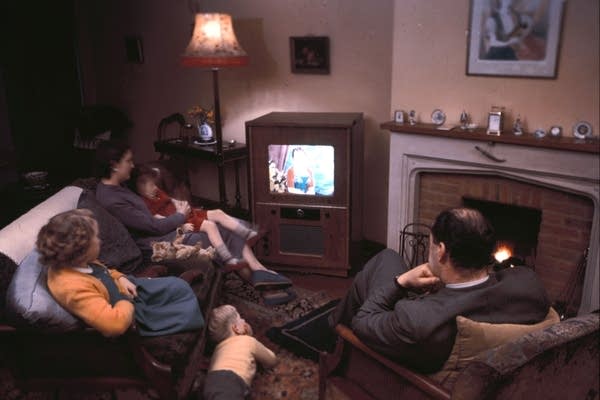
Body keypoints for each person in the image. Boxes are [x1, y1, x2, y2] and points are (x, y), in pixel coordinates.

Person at [329, 207, 550, 373]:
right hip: (440, 320)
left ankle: (331, 334)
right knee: (389, 257)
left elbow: (362, 320)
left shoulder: (416, 321)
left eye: (432, 244)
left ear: (442, 251)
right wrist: (446, 288)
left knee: (380, 265)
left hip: (400, 373)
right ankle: (332, 317)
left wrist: (400, 283)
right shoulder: (530, 286)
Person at [93, 140, 293, 294]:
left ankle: (261, 276)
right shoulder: (111, 198)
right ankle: (261, 277)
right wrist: (180, 215)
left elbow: (150, 209)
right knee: (219, 232)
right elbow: (151, 227)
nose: (132, 164)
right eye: (128, 161)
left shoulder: (118, 186)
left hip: (165, 229)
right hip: (157, 243)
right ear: (114, 165)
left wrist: (173, 211)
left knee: (222, 228)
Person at [39, 209, 204, 337]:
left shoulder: (76, 261)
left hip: (127, 286)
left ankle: (177, 284)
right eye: (96, 238)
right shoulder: (70, 287)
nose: (100, 240)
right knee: (186, 312)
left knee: (178, 286)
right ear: (81, 250)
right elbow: (114, 325)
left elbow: (103, 272)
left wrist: (122, 278)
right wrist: (123, 298)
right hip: (129, 310)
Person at [132, 166, 263, 272]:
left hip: (189, 212)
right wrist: (181, 227)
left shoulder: (156, 193)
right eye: (149, 185)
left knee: (218, 213)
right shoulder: (145, 204)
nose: (155, 188)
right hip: (183, 220)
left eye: (154, 184)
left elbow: (169, 199)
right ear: (139, 187)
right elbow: (161, 223)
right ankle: (226, 257)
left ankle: (247, 233)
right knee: (210, 226)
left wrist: (178, 202)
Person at [203, 304, 277, 400]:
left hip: (210, 381)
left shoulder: (218, 349)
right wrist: (250, 336)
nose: (244, 321)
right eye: (241, 319)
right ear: (236, 328)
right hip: (230, 380)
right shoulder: (248, 341)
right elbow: (271, 360)